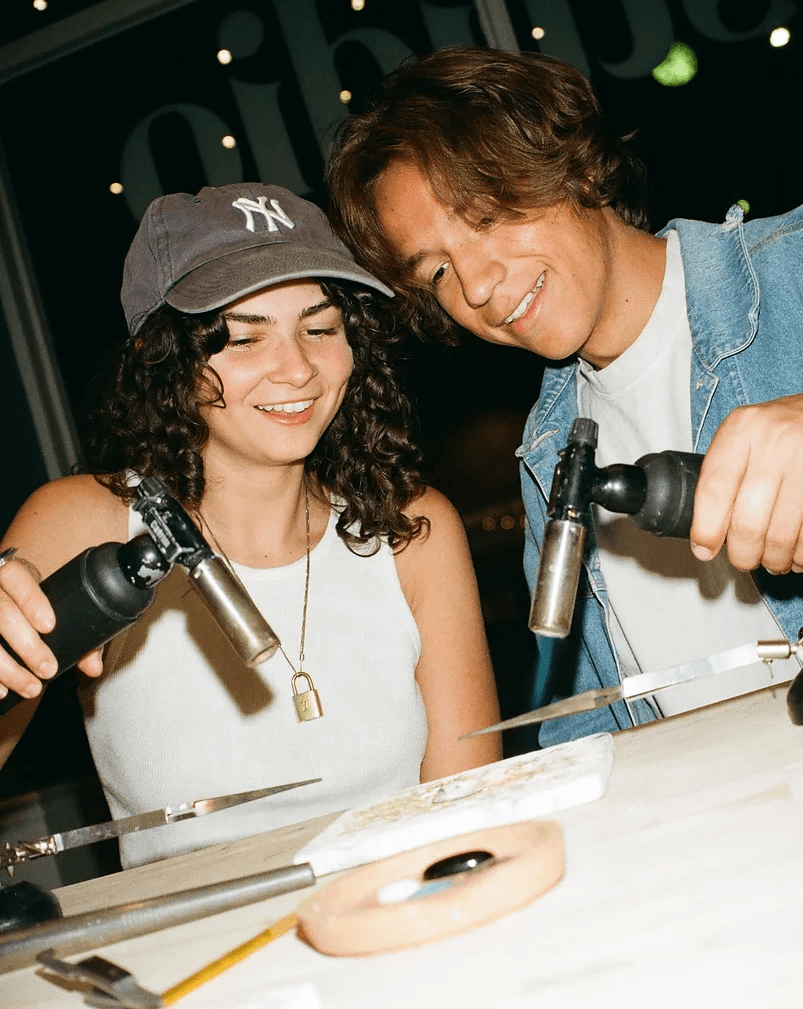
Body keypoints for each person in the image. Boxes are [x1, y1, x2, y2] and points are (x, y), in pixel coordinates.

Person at [326, 45, 803, 744]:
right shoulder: (548, 459)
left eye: (484, 216)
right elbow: (585, 731)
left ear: (569, 164)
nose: (477, 287)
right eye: (439, 274)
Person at [0, 182, 501, 866]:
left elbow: (467, 812)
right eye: (242, 338)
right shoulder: (86, 521)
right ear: (167, 361)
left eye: (320, 329)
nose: (296, 368)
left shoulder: (413, 528)